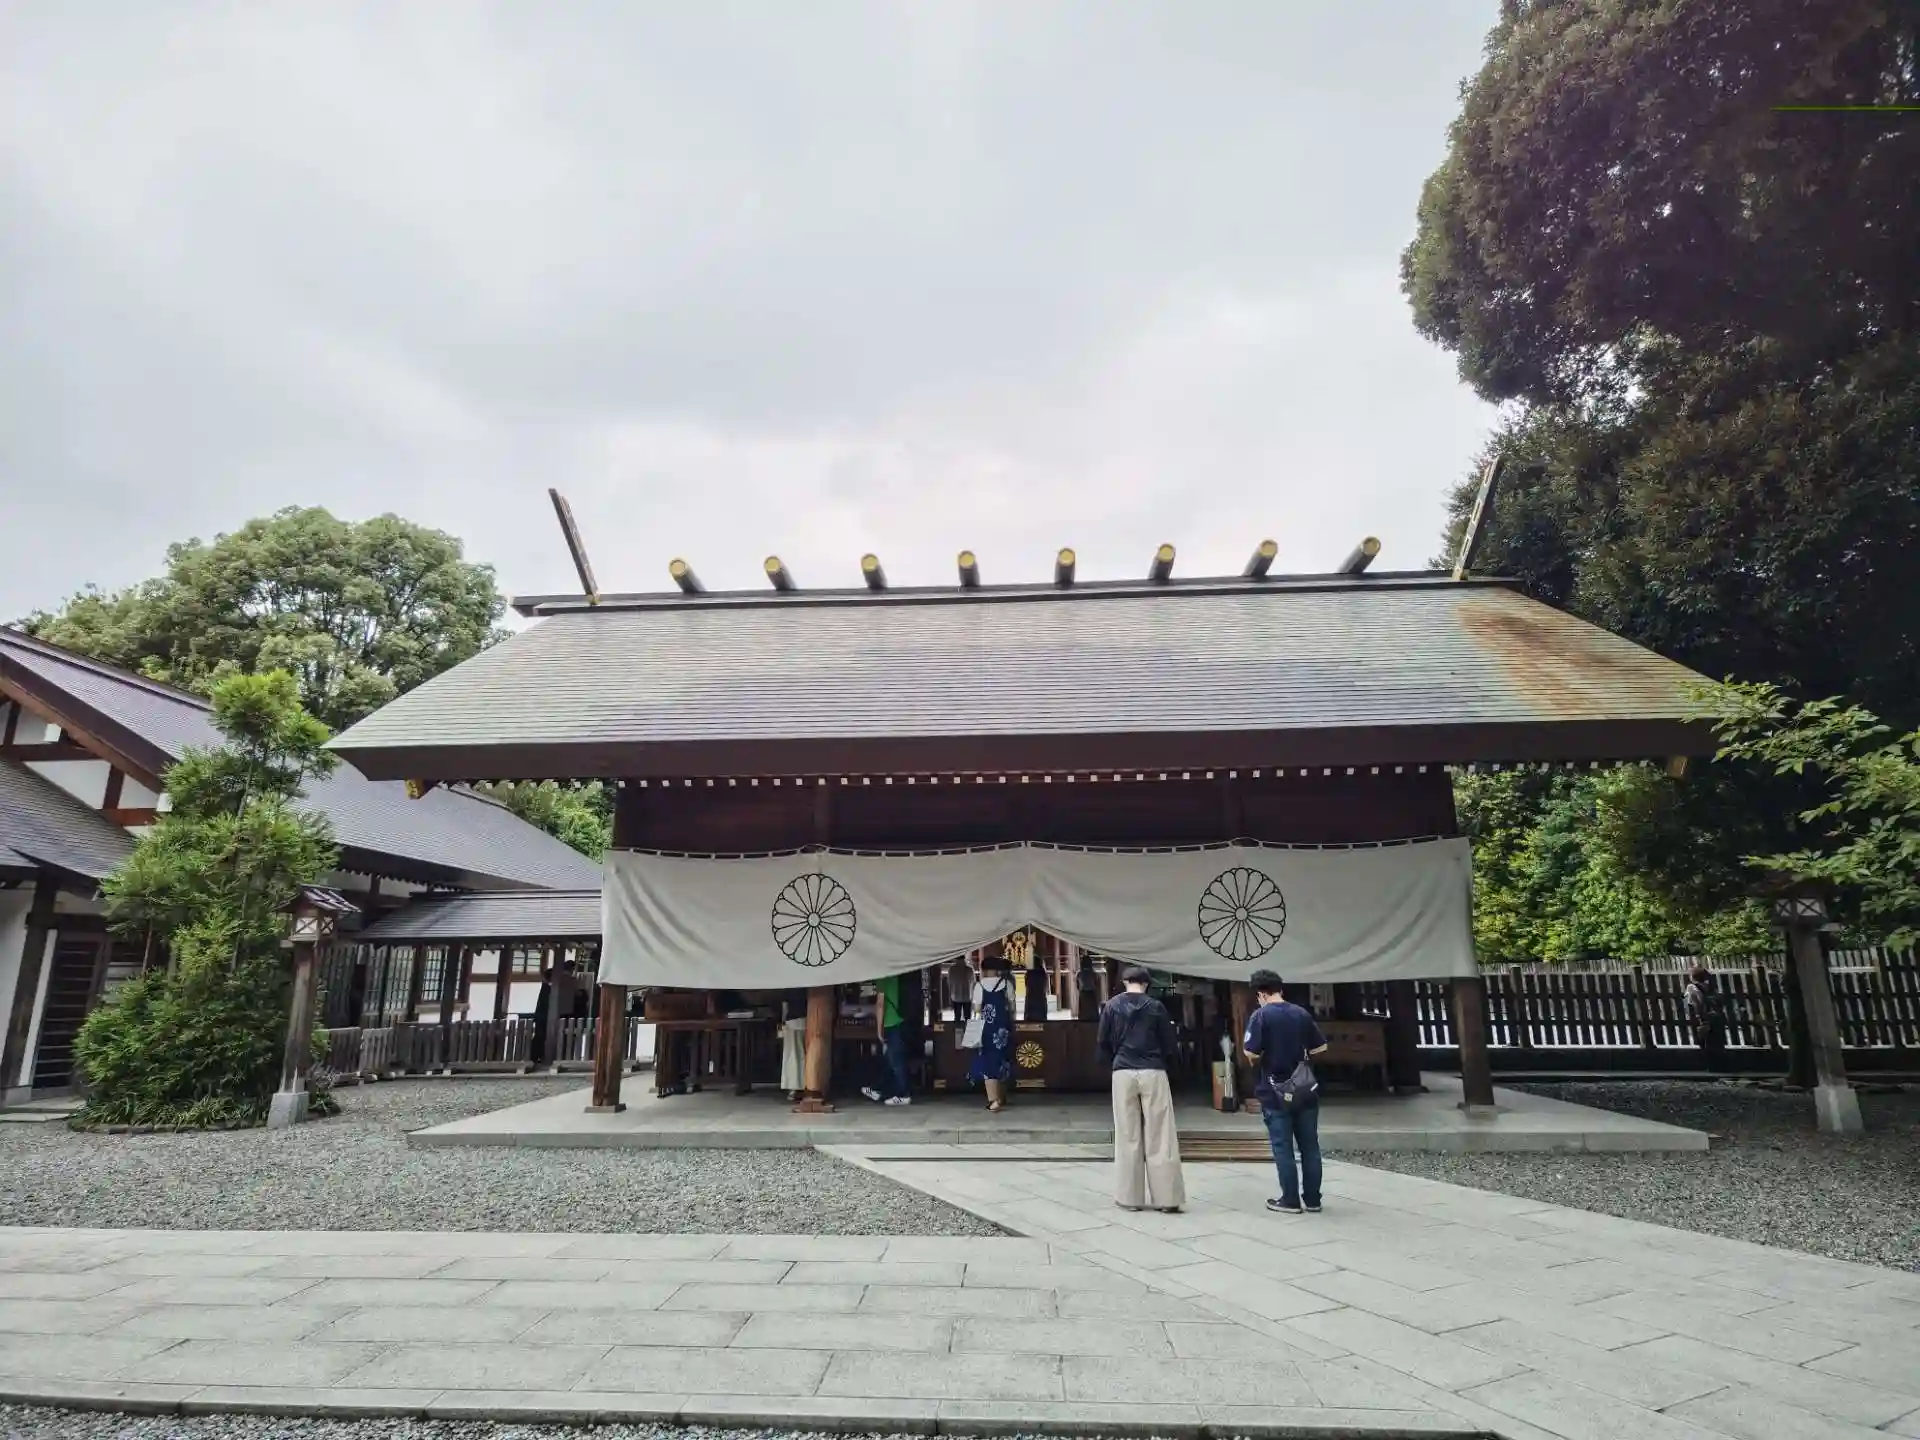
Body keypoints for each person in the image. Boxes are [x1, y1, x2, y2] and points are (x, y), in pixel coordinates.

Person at [1098, 966, 1187, 1213]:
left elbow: (1102, 1042)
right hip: (1153, 1070)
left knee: (1127, 1134)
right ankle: (1167, 1199)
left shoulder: (1111, 1007)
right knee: (1161, 1133)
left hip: (1123, 1071)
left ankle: (1129, 1198)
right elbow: (1170, 1044)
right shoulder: (1156, 1007)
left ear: (1125, 982)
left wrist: (1114, 1061)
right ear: (1146, 984)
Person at [1244, 970, 1328, 1215]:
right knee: (1310, 1146)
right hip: (1304, 1087)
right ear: (1280, 989)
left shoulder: (1260, 1016)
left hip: (1274, 1090)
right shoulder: (1301, 1013)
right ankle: (1313, 1199)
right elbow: (1320, 1047)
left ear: (1260, 994)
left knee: (1283, 1147)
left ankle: (1290, 1200)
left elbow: (1251, 1052)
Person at [967, 958, 1015, 1112]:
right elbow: (1012, 1007)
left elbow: (977, 1009)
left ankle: (993, 1100)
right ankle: (1001, 1096)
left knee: (988, 1063)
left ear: (984, 970)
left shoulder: (979, 986)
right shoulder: (1007, 984)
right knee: (1003, 1060)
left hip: (986, 1030)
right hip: (1003, 1029)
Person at [860, 974, 913, 1106]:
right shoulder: (900, 976)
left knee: (896, 1061)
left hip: (891, 1022)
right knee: (890, 1059)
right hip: (904, 1021)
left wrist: (879, 1029)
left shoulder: (883, 978)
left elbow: (880, 1004)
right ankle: (877, 1089)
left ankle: (904, 1094)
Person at [1684, 965, 1727, 1074]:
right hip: (1716, 1018)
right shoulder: (1711, 988)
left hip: (1704, 1019)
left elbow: (1695, 1004)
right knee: (1717, 1042)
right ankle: (1720, 1065)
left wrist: (1699, 1018)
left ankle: (1711, 1066)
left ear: (1692, 977)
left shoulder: (1692, 988)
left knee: (1706, 1042)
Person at [948, 954, 975, 1023]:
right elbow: (973, 982)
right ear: (964, 959)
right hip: (967, 996)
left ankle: (956, 1028)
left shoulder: (952, 969)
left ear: (956, 959)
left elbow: (949, 982)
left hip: (955, 996)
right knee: (967, 1017)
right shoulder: (969, 969)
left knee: (957, 1016)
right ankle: (967, 1028)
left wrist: (950, 995)